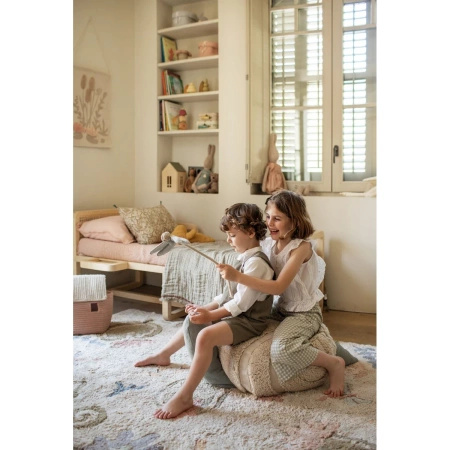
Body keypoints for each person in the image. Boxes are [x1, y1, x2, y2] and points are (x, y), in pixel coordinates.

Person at [135, 203, 275, 419]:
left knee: (205, 336)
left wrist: (210, 316)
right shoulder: (244, 259)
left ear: (250, 232)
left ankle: (185, 396)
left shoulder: (256, 264)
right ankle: (164, 354)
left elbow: (240, 305)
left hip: (250, 321)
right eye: (227, 235)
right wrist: (204, 309)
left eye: (233, 235)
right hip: (238, 316)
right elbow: (225, 296)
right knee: (193, 318)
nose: (228, 240)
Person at [216, 190, 345, 397]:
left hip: (304, 313)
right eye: (268, 217)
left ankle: (334, 363)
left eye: (277, 218)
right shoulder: (269, 244)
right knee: (238, 320)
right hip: (281, 308)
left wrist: (237, 277)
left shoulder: (301, 248)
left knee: (282, 350)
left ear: (293, 221)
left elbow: (278, 287)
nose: (270, 223)